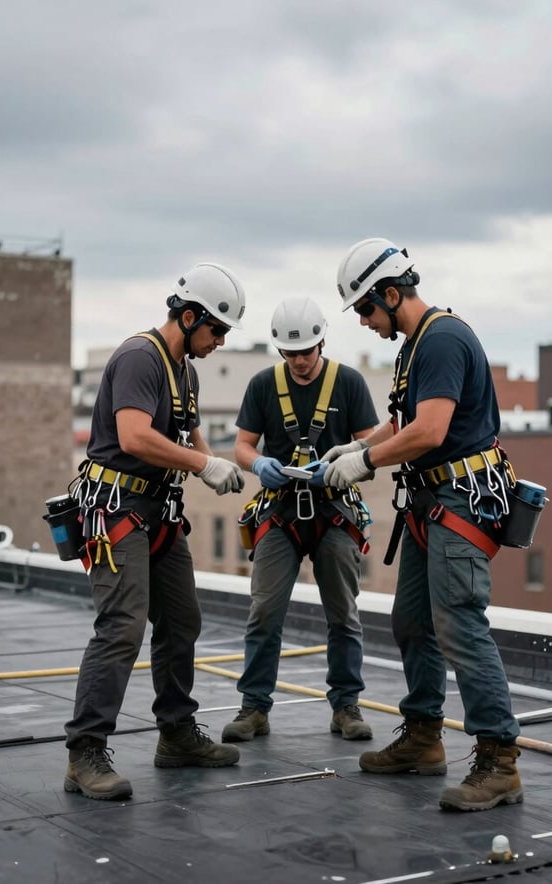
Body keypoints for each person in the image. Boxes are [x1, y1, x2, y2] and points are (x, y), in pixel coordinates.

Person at [323, 238, 523, 812]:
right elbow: (403, 422)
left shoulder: (441, 340)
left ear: (392, 293)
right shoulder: (416, 345)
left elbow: (431, 430)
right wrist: (354, 446)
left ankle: (499, 760)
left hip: (459, 501)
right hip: (429, 502)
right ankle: (423, 737)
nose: (365, 322)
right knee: (412, 620)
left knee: (459, 623)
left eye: (366, 309)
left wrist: (363, 463)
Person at [64, 262, 248, 801]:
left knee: (182, 618)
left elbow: (190, 437)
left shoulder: (184, 371)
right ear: (188, 317)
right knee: (122, 625)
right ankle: (85, 752)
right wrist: (201, 466)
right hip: (116, 507)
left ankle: (176, 734)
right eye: (216, 330)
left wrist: (218, 466)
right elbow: (136, 437)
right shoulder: (139, 358)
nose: (219, 341)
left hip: (158, 511)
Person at [221, 296, 379, 744]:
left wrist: (347, 460)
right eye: (290, 354)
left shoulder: (347, 382)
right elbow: (243, 446)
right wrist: (258, 465)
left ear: (322, 342)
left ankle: (346, 706)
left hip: (334, 511)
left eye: (306, 352)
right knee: (264, 612)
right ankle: (254, 708)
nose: (300, 361)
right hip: (280, 511)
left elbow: (370, 446)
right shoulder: (263, 385)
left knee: (343, 614)